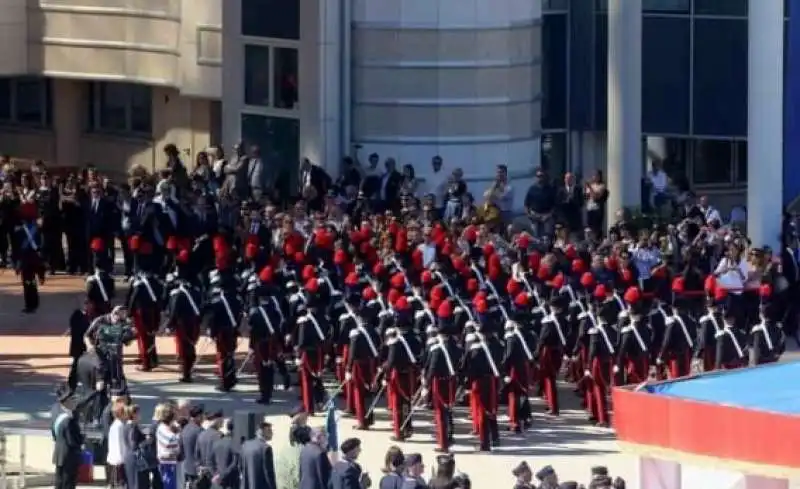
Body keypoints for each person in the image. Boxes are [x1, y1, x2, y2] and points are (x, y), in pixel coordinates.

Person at [52, 387, 84, 489]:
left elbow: (53, 431)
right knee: (68, 483)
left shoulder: (55, 410)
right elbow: (72, 441)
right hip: (69, 456)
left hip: (59, 452)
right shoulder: (68, 419)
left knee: (59, 482)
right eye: (72, 399)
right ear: (66, 401)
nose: (74, 402)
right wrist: (82, 440)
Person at [239, 417, 277, 489]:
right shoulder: (266, 448)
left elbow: (241, 467)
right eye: (270, 430)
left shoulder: (245, 445)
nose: (272, 433)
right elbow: (269, 474)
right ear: (264, 431)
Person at [179, 405, 205, 488]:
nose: (203, 418)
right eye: (201, 416)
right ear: (198, 417)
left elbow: (180, 447)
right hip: (198, 469)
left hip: (186, 467)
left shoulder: (185, 428)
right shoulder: (200, 431)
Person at [211, 419, 240, 489]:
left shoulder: (216, 443)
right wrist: (222, 475)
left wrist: (215, 475)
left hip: (218, 482)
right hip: (231, 481)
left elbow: (210, 461)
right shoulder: (234, 443)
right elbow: (235, 462)